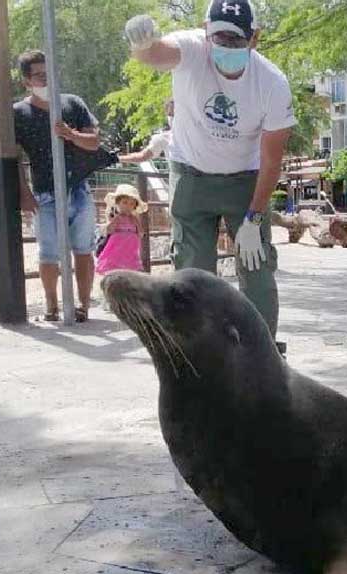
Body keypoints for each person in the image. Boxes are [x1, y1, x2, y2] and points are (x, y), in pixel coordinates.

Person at [124, 0, 295, 351]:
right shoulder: (191, 49)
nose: (227, 48)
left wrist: (254, 218)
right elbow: (157, 54)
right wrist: (141, 45)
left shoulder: (272, 84)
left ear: (254, 39)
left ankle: (263, 352)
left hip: (245, 181)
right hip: (192, 174)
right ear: (206, 33)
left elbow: (271, 160)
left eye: (236, 41)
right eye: (220, 39)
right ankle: (195, 352)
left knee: (256, 265)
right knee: (192, 271)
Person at [13, 49, 102, 322]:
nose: (46, 80)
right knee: (48, 251)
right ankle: (52, 305)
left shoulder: (72, 104)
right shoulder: (18, 112)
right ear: (27, 81)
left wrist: (71, 135)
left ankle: (83, 305)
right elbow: (14, 157)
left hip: (78, 189)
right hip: (45, 193)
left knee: (83, 249)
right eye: (40, 76)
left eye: (49, 74)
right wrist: (24, 193)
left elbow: (94, 141)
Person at [96, 184, 147, 275]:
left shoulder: (134, 219)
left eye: (131, 204)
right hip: (118, 245)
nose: (128, 206)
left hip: (130, 246)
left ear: (134, 206)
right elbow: (109, 230)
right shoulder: (117, 218)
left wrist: (139, 231)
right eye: (125, 202)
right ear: (118, 203)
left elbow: (141, 232)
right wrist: (113, 222)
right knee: (115, 262)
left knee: (131, 264)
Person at [118, 98, 176, 164]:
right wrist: (117, 158)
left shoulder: (164, 138)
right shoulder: (163, 138)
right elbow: (143, 156)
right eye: (171, 115)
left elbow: (143, 156)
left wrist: (116, 159)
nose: (173, 118)